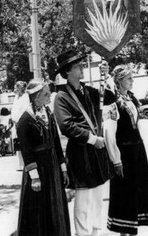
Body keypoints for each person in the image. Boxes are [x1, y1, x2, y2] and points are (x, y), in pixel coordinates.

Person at [53, 49, 111, 236]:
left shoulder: (87, 91)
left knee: (98, 197)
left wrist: (106, 75)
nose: (82, 68)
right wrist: (93, 139)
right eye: (78, 66)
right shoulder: (62, 96)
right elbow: (66, 126)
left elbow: (110, 97)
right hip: (81, 153)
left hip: (96, 152)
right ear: (68, 71)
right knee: (83, 199)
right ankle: (82, 233)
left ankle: (96, 232)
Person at [104, 66, 148, 235]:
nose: (132, 81)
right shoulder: (113, 103)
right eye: (129, 78)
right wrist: (116, 159)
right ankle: (123, 232)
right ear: (119, 81)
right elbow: (109, 132)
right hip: (124, 153)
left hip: (137, 151)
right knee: (125, 196)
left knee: (136, 194)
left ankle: (132, 232)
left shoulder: (131, 99)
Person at [17, 79, 71, 236]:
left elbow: (56, 143)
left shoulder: (48, 113)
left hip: (53, 167)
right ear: (36, 96)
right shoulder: (25, 120)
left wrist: (63, 168)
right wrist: (34, 178)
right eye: (46, 94)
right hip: (38, 171)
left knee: (55, 207)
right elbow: (27, 152)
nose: (50, 96)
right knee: (38, 212)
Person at [11, 81, 28, 170]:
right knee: (18, 143)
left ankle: (26, 163)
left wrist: (19, 121)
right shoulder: (16, 97)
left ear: (20, 88)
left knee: (24, 143)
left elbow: (24, 110)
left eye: (15, 88)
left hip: (22, 123)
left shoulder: (25, 97)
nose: (14, 90)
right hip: (16, 123)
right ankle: (21, 164)